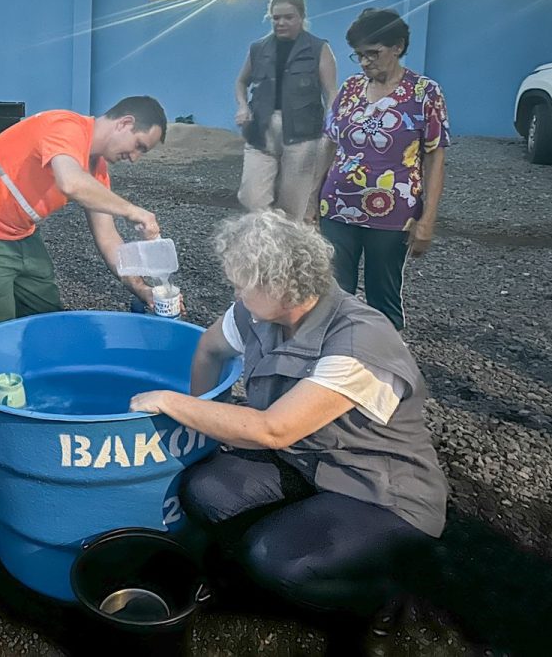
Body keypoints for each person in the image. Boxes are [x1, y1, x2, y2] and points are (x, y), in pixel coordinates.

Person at [129, 210, 446, 627]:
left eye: (242, 283)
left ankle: (380, 600)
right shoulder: (258, 313)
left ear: (280, 286)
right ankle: (273, 553)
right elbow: (208, 348)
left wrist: (172, 403)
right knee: (204, 489)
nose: (236, 293)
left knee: (275, 558)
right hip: (309, 462)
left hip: (380, 492)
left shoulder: (359, 339)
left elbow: (273, 429)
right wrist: (196, 415)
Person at [0, 97, 167, 336]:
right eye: (139, 146)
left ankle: (41, 366)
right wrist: (132, 211)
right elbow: (70, 182)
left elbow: (108, 238)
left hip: (21, 231)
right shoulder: (66, 127)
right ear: (125, 123)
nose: (134, 158)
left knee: (46, 314)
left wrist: (141, 289)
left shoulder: (97, 170)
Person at [316, 7, 450, 330]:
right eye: (358, 55)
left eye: (372, 54)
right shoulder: (349, 91)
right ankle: (334, 362)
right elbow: (329, 145)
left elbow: (434, 158)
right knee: (332, 295)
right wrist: (311, 203)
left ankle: (386, 367)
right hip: (336, 208)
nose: (364, 63)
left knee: (383, 299)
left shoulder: (424, 94)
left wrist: (427, 220)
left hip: (392, 215)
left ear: (398, 47)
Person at [235, 0, 337, 220]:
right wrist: (243, 107)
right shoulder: (258, 48)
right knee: (252, 199)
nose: (281, 22)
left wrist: (331, 129)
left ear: (301, 17)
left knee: (292, 208)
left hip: (303, 136)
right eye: (276, 17)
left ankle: (285, 252)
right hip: (261, 132)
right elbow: (241, 82)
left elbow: (330, 91)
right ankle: (264, 243)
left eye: (288, 17)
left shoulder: (319, 49)